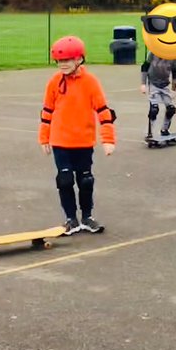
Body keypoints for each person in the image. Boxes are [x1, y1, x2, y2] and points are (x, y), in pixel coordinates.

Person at [40, 36, 116, 235]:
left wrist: (108, 140)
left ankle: (87, 217)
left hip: (83, 141)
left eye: (66, 60)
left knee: (85, 180)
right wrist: (44, 138)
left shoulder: (90, 82)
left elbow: (103, 111)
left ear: (79, 60)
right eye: (59, 61)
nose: (62, 65)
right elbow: (47, 112)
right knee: (64, 179)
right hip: (60, 142)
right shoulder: (54, 82)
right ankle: (70, 219)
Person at [140, 51, 176, 136]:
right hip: (153, 84)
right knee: (154, 109)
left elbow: (175, 71)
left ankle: (164, 129)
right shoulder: (153, 53)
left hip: (165, 85)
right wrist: (143, 84)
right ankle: (150, 131)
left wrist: (173, 88)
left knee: (171, 109)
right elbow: (145, 67)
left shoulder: (173, 56)